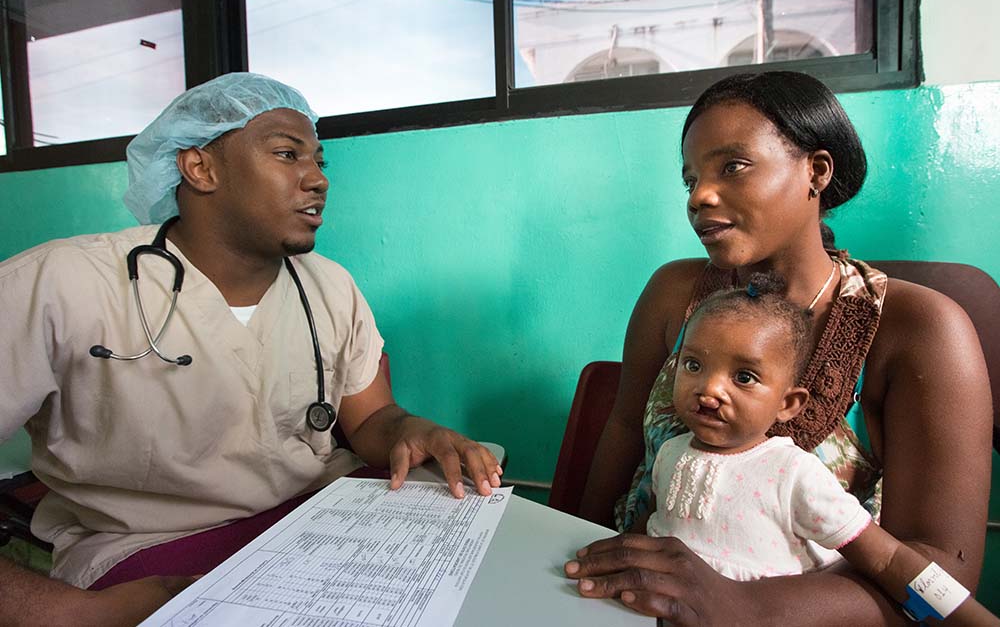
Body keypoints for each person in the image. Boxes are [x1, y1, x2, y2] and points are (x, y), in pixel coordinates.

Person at [0, 72, 502, 625]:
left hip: (321, 518)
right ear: (200, 168)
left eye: (320, 162)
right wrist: (56, 612)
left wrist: (412, 429)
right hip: (147, 548)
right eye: (288, 154)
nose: (317, 180)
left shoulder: (329, 287)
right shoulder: (59, 284)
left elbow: (372, 418)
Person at [564, 71, 993, 624]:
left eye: (732, 167)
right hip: (630, 606)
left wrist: (743, 603)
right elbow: (625, 432)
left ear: (815, 170)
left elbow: (943, 568)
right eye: (690, 178)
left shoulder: (921, 328)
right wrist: (569, 552)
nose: (700, 196)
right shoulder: (674, 293)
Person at [637, 273, 997, 625]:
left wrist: (974, 620)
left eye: (744, 377)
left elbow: (887, 562)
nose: (709, 390)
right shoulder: (670, 452)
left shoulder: (792, 474)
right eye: (694, 365)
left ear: (788, 404)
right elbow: (652, 527)